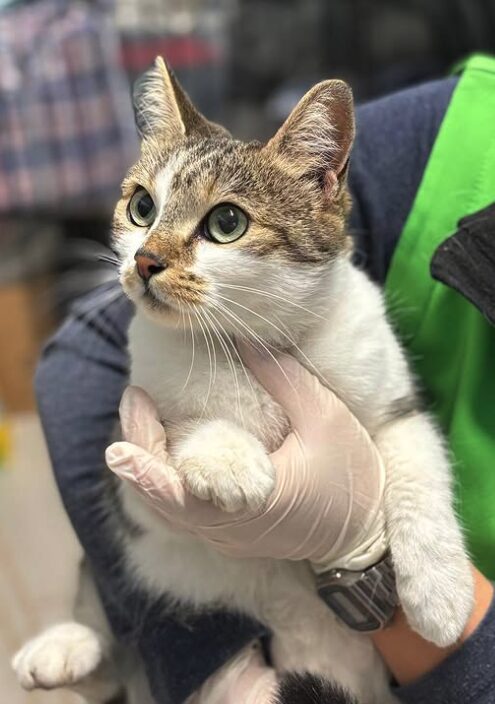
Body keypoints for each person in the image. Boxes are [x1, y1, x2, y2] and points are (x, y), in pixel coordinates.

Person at [35, 54, 495, 703]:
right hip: (224, 615)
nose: (151, 258)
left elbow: (397, 422)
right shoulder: (460, 126)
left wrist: (366, 543)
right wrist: (208, 667)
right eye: (143, 206)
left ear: (319, 186)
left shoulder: (347, 322)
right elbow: (75, 364)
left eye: (222, 223)